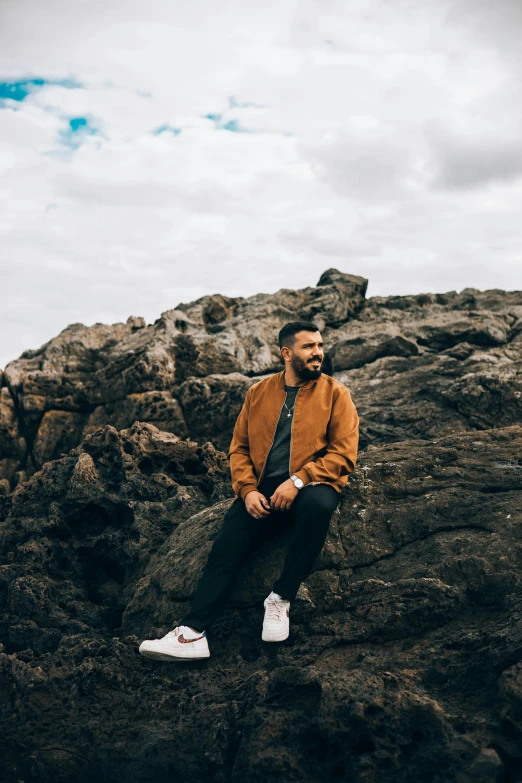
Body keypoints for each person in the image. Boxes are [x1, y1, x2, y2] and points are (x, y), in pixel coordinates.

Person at [139, 321, 359, 661]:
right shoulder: (258, 393)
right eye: (308, 347)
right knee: (226, 546)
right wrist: (246, 491)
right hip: (262, 493)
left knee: (319, 506)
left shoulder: (335, 394)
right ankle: (193, 632)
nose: (318, 352)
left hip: (312, 484)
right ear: (287, 353)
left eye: (319, 345)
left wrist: (298, 480)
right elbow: (238, 450)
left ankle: (281, 598)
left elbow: (344, 453)